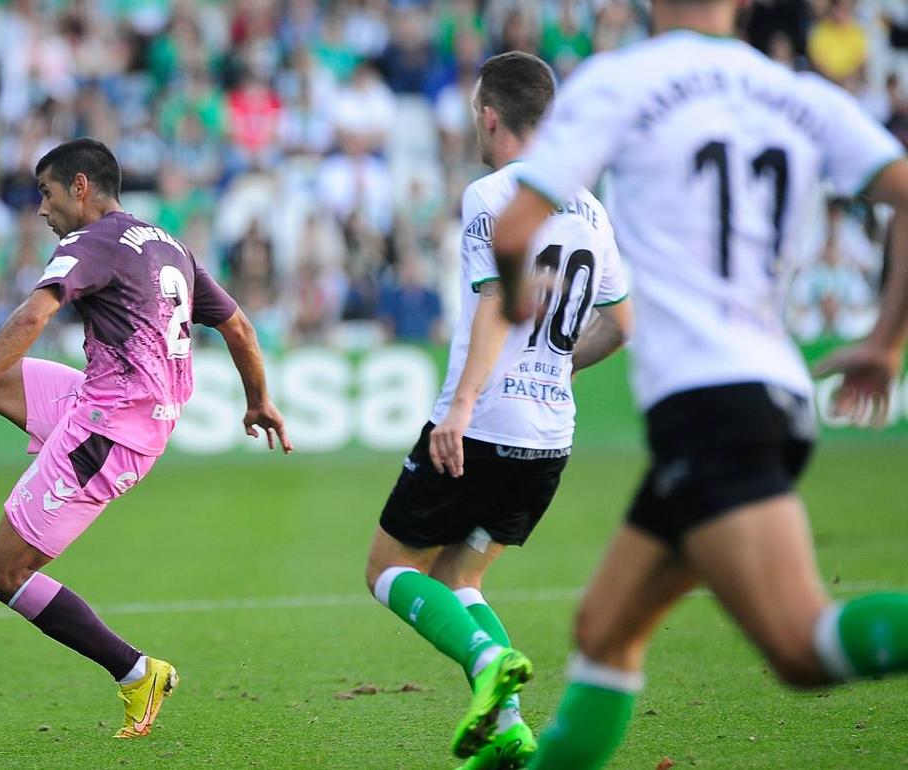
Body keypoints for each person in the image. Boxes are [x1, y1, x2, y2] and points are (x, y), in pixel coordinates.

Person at [485, 2, 908, 768]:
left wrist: (516, 296)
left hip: (710, 407)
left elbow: (515, 230)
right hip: (770, 391)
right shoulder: (799, 93)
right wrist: (886, 341)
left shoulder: (622, 81)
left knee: (802, 645)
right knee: (605, 632)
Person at [0, 138, 292, 739]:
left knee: (2, 574)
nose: (42, 208)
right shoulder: (167, 244)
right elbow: (239, 326)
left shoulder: (93, 242)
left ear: (80, 187)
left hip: (108, 436)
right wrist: (258, 400)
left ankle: (136, 671)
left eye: (46, 192)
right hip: (106, 403)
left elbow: (34, 316)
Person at [364, 52, 632, 770]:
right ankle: (509, 726)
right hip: (549, 438)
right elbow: (622, 323)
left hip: (484, 426)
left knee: (388, 570)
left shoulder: (492, 194)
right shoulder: (591, 208)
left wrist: (460, 408)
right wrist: (557, 366)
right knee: (462, 578)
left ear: (490, 117)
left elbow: (493, 301)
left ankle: (487, 664)